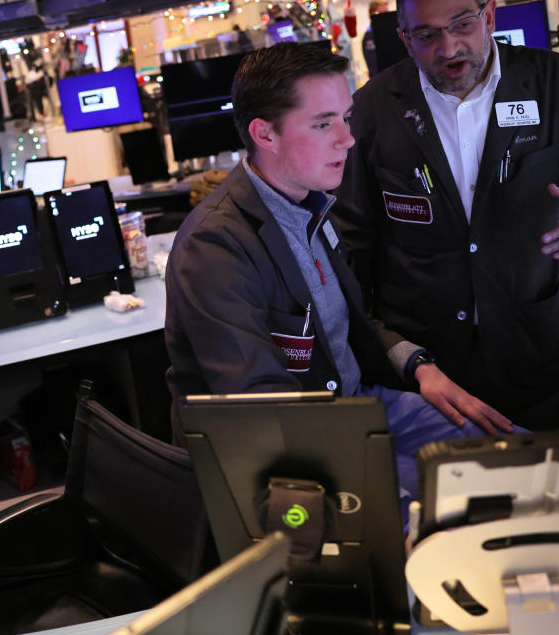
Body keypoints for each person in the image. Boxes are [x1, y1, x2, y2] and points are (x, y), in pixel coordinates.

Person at [332, 0, 559, 431]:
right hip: (428, 373)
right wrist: (380, 348)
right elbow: (351, 242)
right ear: (405, 39)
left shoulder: (554, 81)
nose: (448, 47)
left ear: (488, 17)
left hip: (533, 351)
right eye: (426, 35)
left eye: (461, 24)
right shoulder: (370, 109)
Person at [164, 43, 488, 507]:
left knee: (513, 460)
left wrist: (416, 364)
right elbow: (260, 409)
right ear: (265, 134)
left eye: (345, 117)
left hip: (359, 408)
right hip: (291, 453)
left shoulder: (311, 204)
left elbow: (347, 325)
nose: (347, 139)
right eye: (322, 124)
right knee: (446, 523)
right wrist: (373, 492)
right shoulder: (216, 246)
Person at [361, 0, 389, 81]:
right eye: (382, 14)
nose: (386, 17)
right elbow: (373, 65)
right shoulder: (370, 36)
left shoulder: (390, 32)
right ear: (373, 15)